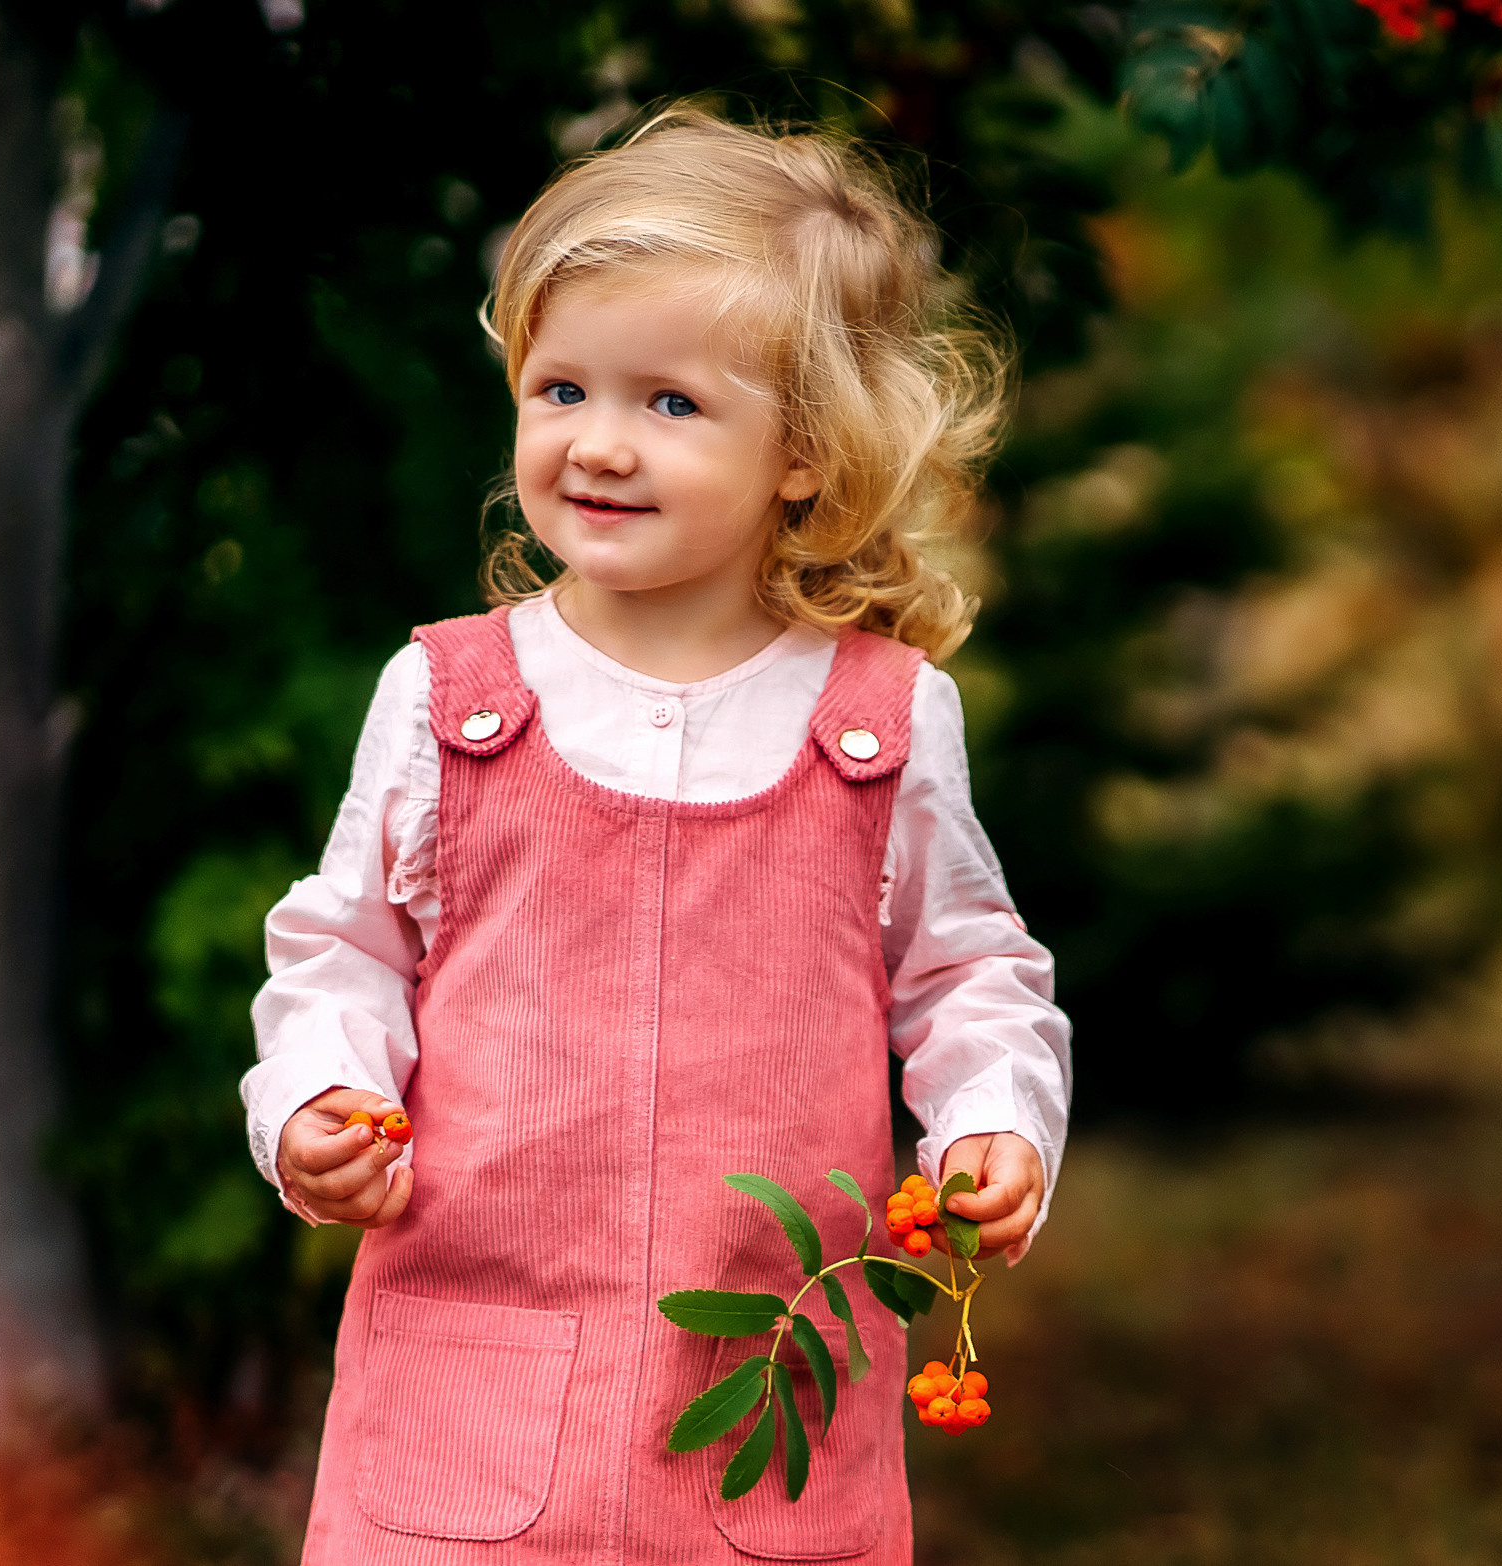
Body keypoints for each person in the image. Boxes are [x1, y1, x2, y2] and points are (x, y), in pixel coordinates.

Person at [241, 105, 1071, 1564]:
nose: (599, 443)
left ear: (804, 451)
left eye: (670, 403)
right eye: (560, 387)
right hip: (468, 1406)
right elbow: (346, 949)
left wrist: (995, 1121)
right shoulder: (449, 699)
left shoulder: (877, 723)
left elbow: (965, 974)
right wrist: (317, 1094)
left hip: (764, 1404)